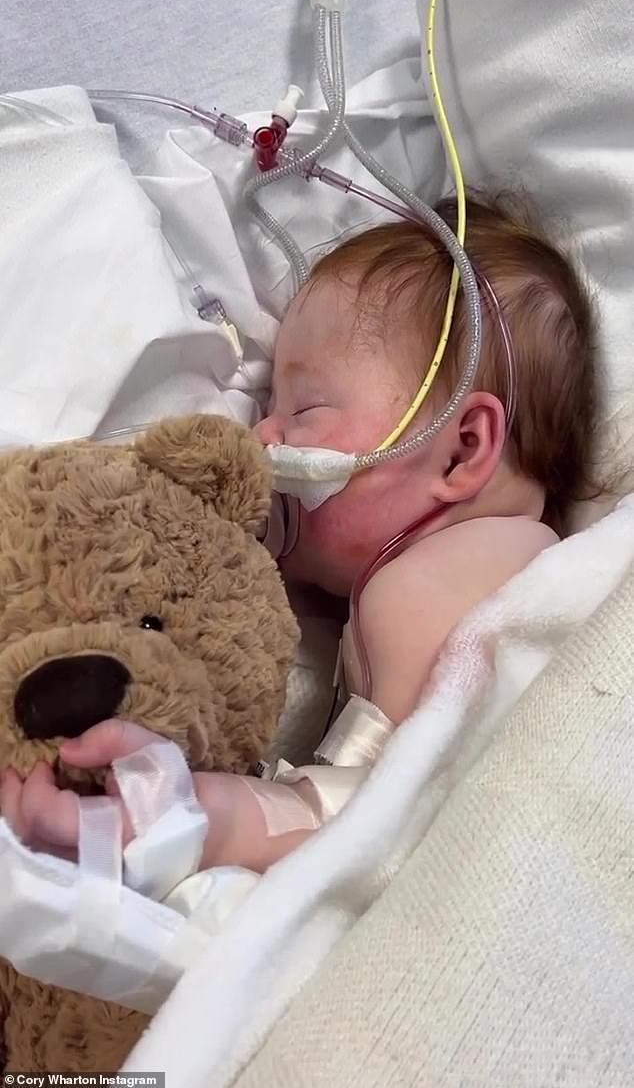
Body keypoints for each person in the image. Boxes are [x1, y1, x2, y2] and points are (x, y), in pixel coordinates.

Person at [0, 195, 598, 876]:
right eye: (268, 407)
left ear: (461, 449)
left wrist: (189, 815)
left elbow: (372, 832)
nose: (263, 436)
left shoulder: (416, 597)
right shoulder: (508, 562)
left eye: (304, 408)